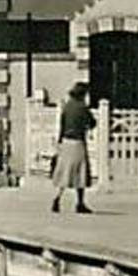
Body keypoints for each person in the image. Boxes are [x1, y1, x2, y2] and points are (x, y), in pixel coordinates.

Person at [50, 82, 96, 214]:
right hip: (77, 142)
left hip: (66, 141)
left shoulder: (67, 106)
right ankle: (80, 203)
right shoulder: (82, 107)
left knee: (65, 171)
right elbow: (92, 122)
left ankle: (57, 198)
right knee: (80, 172)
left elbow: (62, 124)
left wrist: (59, 142)